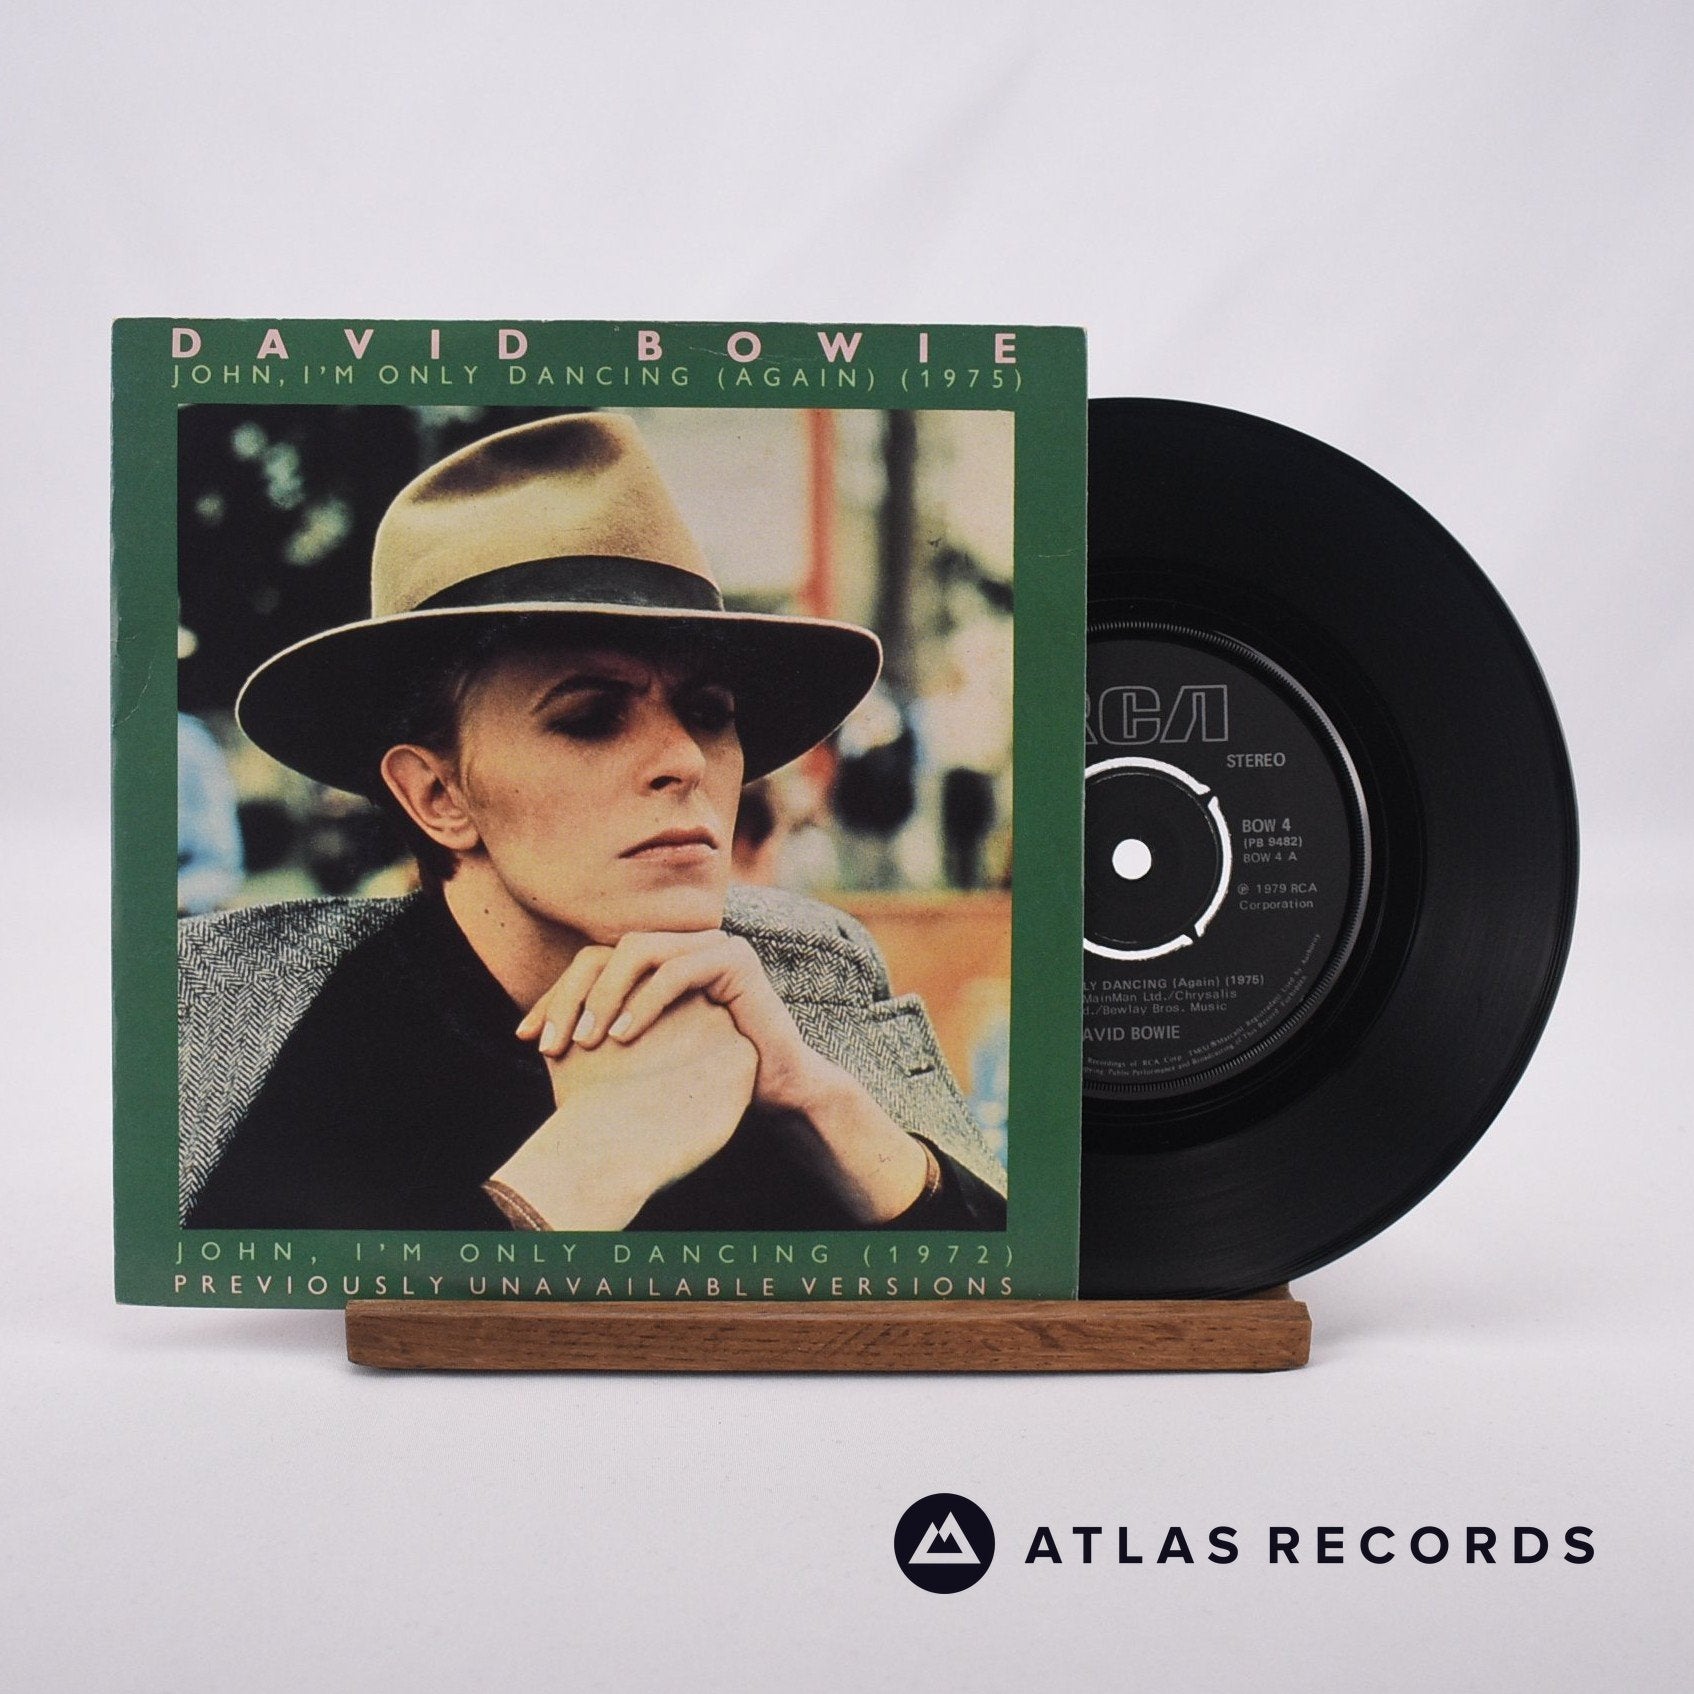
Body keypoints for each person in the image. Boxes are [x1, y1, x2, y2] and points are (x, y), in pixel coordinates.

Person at [179, 412, 1006, 1233]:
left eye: (709, 712)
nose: (685, 759)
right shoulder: (277, 1034)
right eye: (590, 719)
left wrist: (826, 1112)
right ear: (438, 796)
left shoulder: (810, 981)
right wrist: (591, 1161)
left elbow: (1014, 1289)